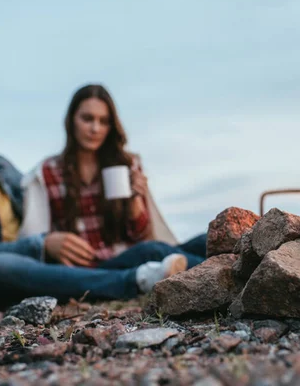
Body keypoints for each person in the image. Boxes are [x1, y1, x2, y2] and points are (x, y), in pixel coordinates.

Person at [0, 82, 200, 319]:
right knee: (1, 264)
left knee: (149, 249)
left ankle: (231, 262)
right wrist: (44, 243)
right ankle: (132, 282)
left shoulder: (0, 167)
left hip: (48, 273)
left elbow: (39, 213)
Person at [19, 83, 206, 275]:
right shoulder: (48, 171)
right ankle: (216, 274)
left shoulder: (126, 163)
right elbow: (34, 238)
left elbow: (142, 235)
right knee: (153, 251)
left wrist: (135, 200)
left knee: (204, 240)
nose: (95, 128)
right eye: (87, 119)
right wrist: (52, 242)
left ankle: (228, 265)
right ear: (71, 120)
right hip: (88, 268)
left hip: (129, 255)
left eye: (104, 121)